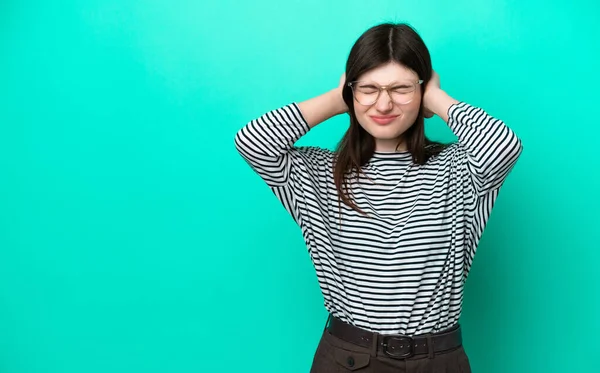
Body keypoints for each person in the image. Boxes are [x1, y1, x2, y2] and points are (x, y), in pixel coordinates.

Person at [234, 22, 522, 373]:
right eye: (369, 88)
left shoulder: (458, 169)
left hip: (437, 360)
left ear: (421, 89)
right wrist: (337, 99)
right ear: (351, 92)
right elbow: (252, 141)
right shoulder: (319, 174)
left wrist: (436, 99)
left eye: (401, 88)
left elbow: (504, 146)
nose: (384, 103)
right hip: (347, 359)